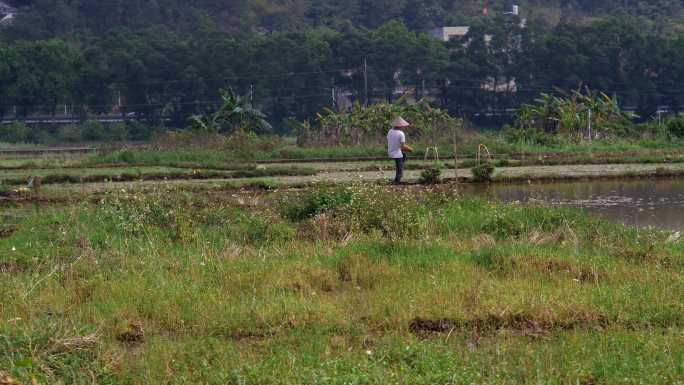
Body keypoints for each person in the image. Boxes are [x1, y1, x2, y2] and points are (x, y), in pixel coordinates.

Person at [387, 117, 413, 184]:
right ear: (401, 126)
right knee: (399, 168)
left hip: (390, 151)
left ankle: (399, 176)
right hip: (397, 154)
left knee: (403, 157)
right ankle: (397, 181)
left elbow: (393, 142)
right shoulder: (401, 133)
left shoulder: (390, 131)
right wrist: (410, 149)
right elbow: (403, 146)